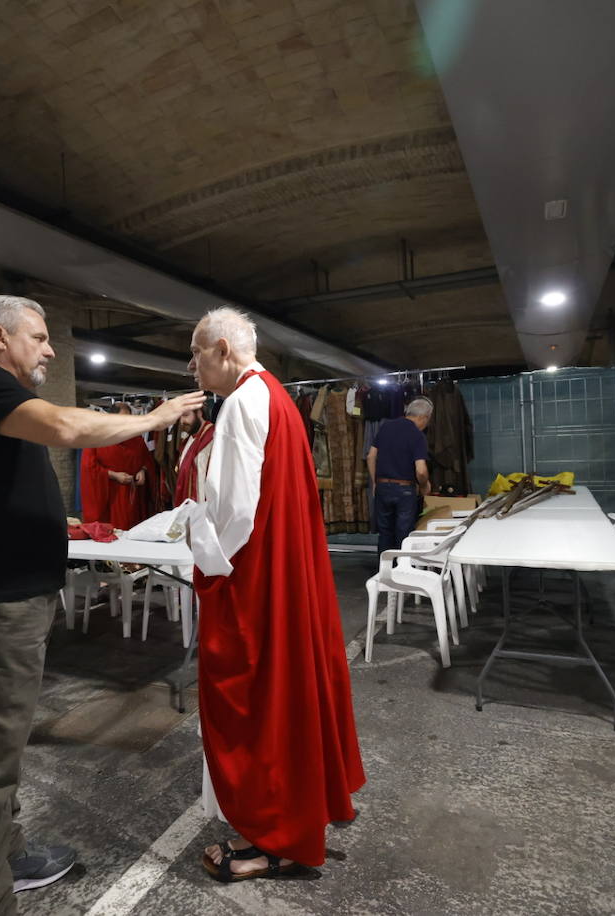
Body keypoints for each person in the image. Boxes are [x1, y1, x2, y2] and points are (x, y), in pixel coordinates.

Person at [0, 294, 203, 916]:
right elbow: (69, 429)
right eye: (40, 336)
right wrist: (154, 419)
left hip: (8, 600)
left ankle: (9, 856)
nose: (51, 349)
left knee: (0, 748)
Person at [183, 306, 365, 881]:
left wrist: (198, 542)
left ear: (222, 349)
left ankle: (276, 838)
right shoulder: (276, 395)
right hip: (289, 565)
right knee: (293, 688)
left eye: (196, 353)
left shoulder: (241, 403)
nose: (192, 366)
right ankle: (307, 804)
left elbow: (235, 514)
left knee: (261, 700)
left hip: (258, 577)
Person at [366, 397, 433, 556]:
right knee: (404, 534)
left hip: (382, 487)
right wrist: (424, 486)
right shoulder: (417, 435)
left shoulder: (386, 426)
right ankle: (401, 567)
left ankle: (384, 568)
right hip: (405, 490)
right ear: (423, 417)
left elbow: (370, 456)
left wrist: (375, 482)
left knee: (385, 533)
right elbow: (421, 471)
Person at [79, 402, 153, 529]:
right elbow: (88, 467)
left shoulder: (136, 439)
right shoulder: (96, 438)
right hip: (109, 497)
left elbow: (146, 460)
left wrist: (142, 470)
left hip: (132, 498)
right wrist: (113, 475)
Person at [172, 404, 215, 505]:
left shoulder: (212, 437)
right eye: (179, 417)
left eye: (185, 415)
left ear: (199, 413)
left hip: (202, 509)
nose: (182, 422)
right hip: (187, 507)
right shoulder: (189, 438)